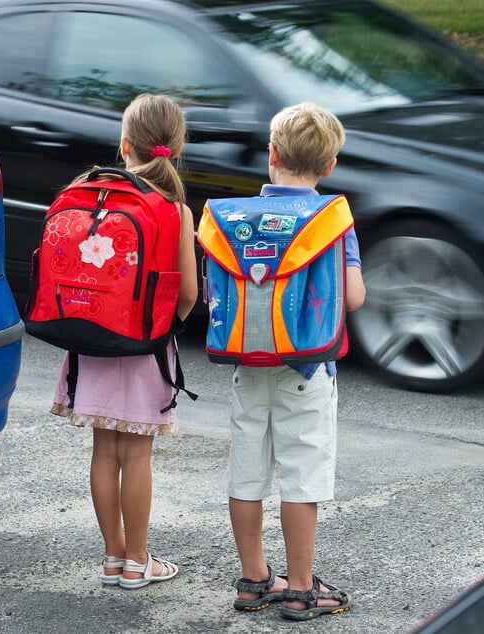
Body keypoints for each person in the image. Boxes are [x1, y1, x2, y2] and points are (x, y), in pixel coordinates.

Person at [49, 93, 197, 589]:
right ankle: (139, 561)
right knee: (136, 455)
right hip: (144, 347)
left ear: (124, 143)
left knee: (102, 452)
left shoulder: (85, 190)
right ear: (174, 149)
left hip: (88, 339)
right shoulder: (175, 209)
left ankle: (113, 558)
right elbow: (188, 294)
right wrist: (166, 325)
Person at [224, 102, 366, 620]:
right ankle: (302, 588)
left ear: (272, 155)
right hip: (307, 369)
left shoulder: (235, 218)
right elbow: (352, 298)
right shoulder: (331, 220)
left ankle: (253, 579)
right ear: (328, 168)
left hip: (247, 359)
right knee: (300, 477)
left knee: (246, 473)